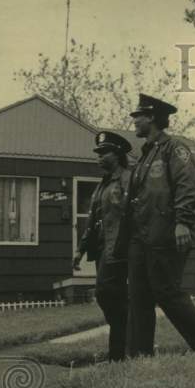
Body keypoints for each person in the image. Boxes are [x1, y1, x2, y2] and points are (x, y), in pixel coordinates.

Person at [117, 93, 195, 357]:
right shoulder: (145, 156)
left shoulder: (175, 148)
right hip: (141, 237)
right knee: (138, 297)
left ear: (151, 117)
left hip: (166, 234)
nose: (134, 121)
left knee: (166, 291)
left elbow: (187, 184)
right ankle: (139, 357)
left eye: (138, 116)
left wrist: (183, 222)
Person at [73, 131, 133, 362]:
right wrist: (80, 250)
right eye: (97, 153)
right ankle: (118, 354)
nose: (98, 157)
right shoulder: (102, 185)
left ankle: (123, 349)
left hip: (119, 250)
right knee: (112, 300)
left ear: (116, 155)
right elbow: (92, 220)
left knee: (105, 294)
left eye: (103, 152)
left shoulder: (128, 179)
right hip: (102, 251)